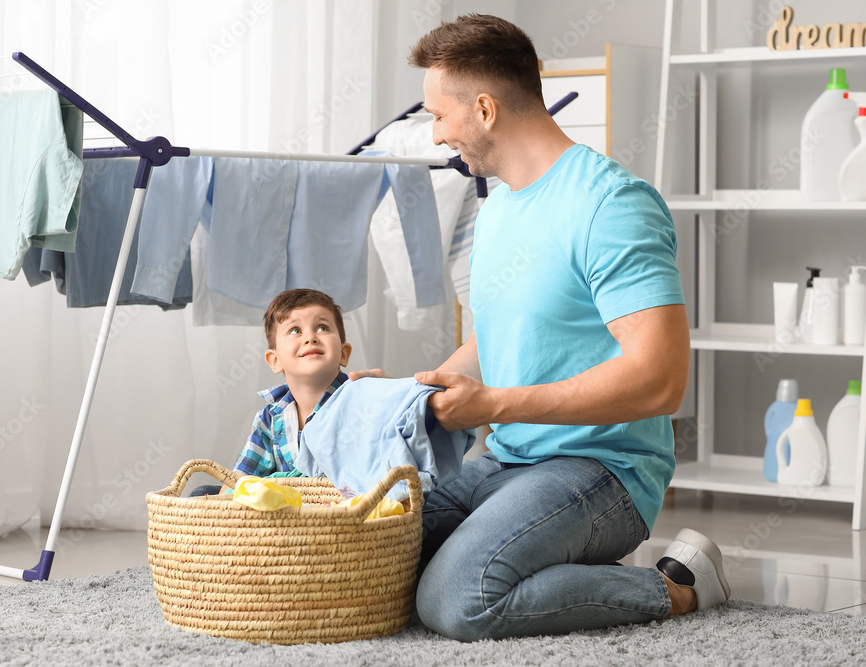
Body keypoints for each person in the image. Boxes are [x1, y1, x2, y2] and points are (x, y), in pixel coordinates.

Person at [352, 14, 730, 639]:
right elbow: (499, 340)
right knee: (364, 554)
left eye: (438, 116)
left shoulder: (610, 204)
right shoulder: (498, 207)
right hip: (504, 460)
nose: (437, 135)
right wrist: (399, 393)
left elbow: (660, 380)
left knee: (456, 600)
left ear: (484, 108)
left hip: (602, 471)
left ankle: (681, 586)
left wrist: (494, 404)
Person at [191, 288, 352, 496]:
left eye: (322, 327)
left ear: (343, 353)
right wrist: (223, 506)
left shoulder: (356, 400)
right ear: (275, 361)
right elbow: (242, 478)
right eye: (295, 331)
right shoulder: (270, 417)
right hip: (287, 513)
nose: (310, 337)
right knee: (202, 492)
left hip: (340, 504)